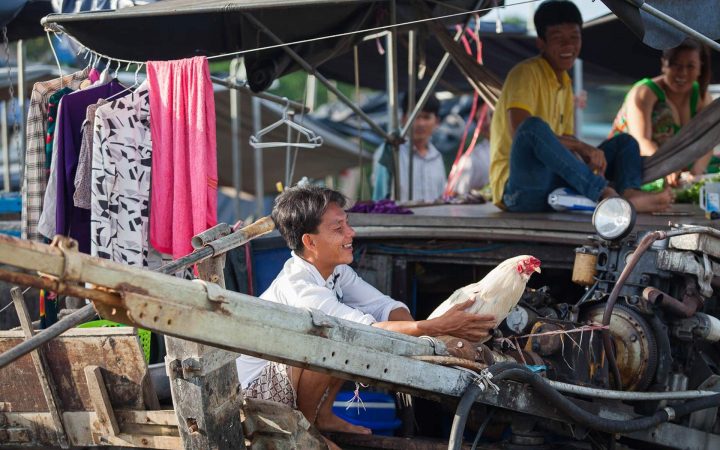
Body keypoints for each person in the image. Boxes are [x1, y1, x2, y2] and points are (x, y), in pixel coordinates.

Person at [236, 185, 495, 448]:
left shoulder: (335, 271)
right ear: (310, 242)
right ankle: (306, 425)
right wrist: (437, 326)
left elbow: (386, 307)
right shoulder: (302, 288)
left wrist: (422, 334)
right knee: (334, 339)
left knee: (338, 334)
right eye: (338, 229)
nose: (351, 233)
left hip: (289, 376)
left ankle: (321, 416)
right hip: (258, 392)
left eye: (347, 224)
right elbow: (364, 330)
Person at [488, 0, 673, 213]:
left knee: (624, 143)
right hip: (519, 190)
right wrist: (581, 147)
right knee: (532, 127)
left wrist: (590, 157)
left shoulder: (565, 83)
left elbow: (565, 143)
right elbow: (522, 133)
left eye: (574, 38)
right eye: (559, 39)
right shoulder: (525, 74)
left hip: (554, 184)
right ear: (541, 43)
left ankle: (629, 192)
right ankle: (605, 195)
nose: (568, 46)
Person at [610, 38, 714, 185]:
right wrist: (667, 167)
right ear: (664, 64)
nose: (682, 73)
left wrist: (696, 174)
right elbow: (641, 141)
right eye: (676, 65)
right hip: (636, 165)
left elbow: (707, 141)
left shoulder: (702, 97)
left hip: (680, 169)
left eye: (690, 66)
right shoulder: (644, 92)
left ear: (700, 68)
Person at [372, 91, 447, 202]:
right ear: (403, 119)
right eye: (415, 117)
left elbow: (441, 197)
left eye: (426, 117)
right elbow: (380, 198)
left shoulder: (437, 157)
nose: (421, 123)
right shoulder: (390, 151)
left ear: (436, 122)